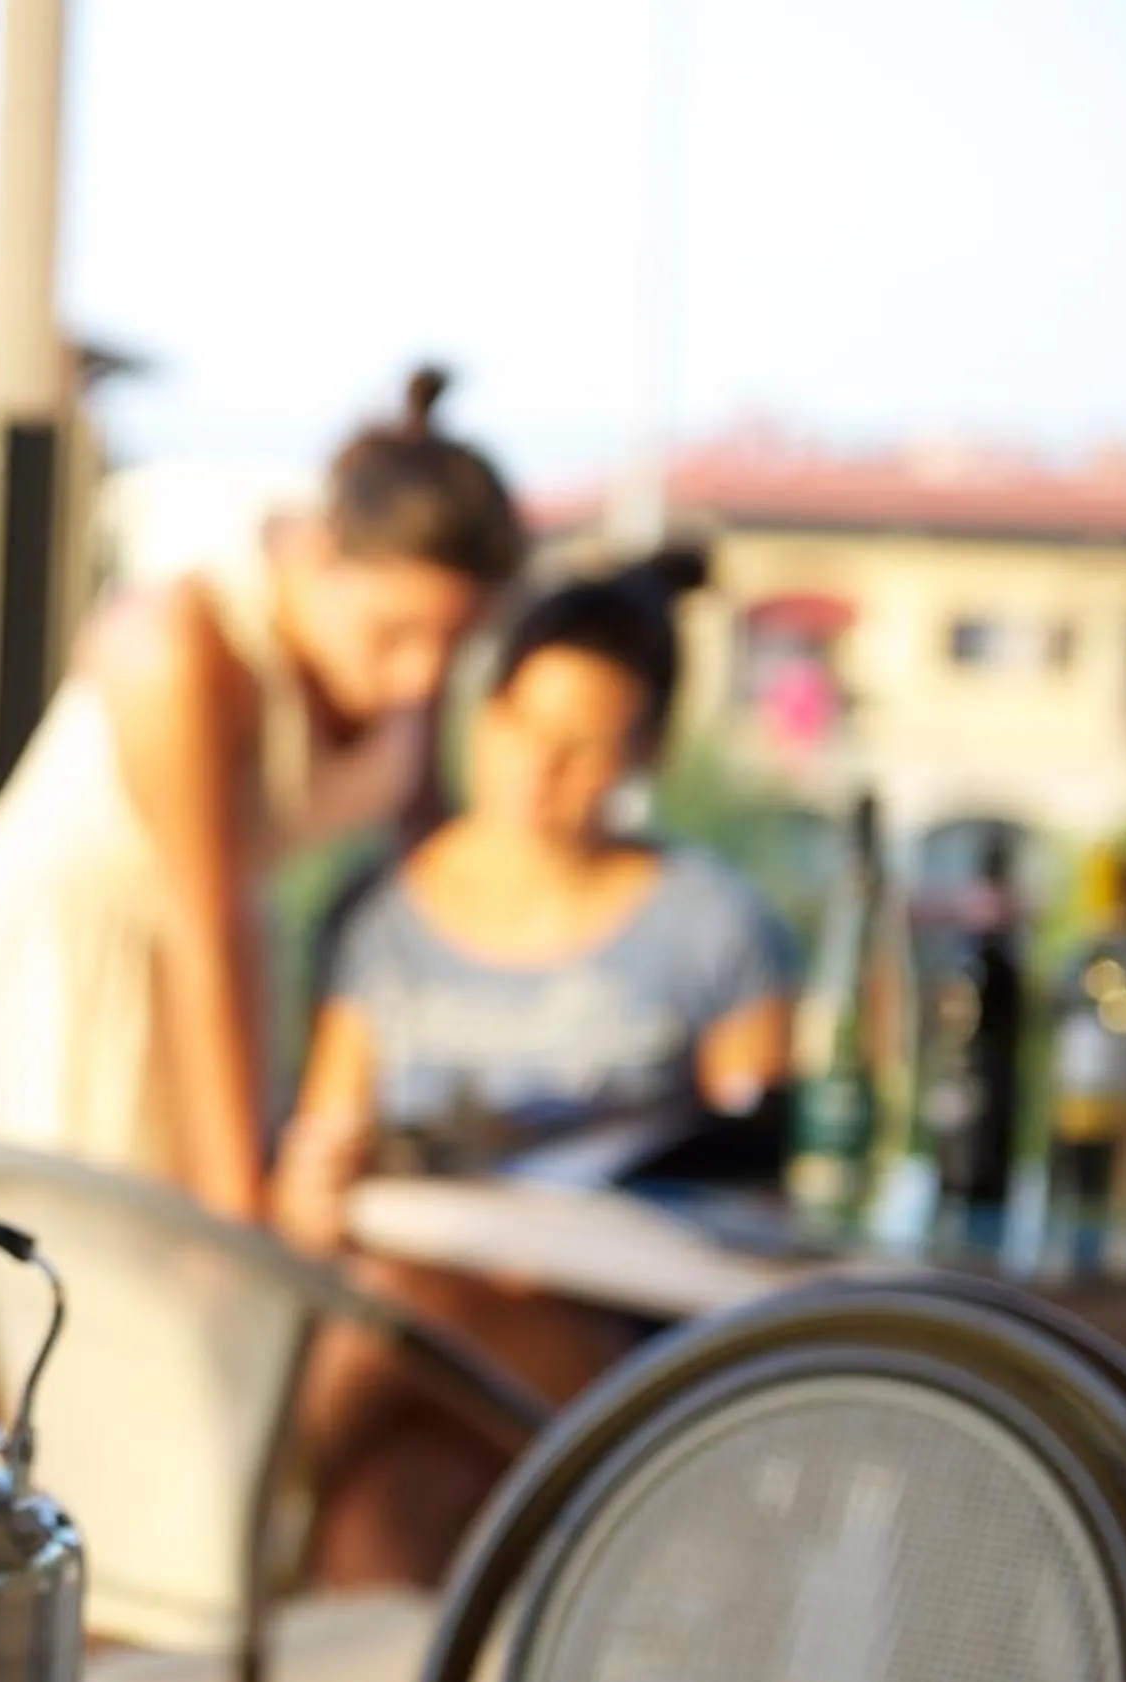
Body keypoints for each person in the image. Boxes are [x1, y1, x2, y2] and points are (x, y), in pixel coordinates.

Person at [0, 368, 526, 1396]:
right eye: (396, 634)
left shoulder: (409, 665)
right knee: (54, 1337)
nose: (424, 677)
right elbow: (203, 928)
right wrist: (236, 1221)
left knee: (155, 1378)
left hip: (208, 988)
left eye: (454, 644)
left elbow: (424, 878)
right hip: (76, 984)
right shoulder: (181, 642)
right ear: (320, 555)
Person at [272, 545, 797, 1588]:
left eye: (584, 745)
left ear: (642, 758)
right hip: (411, 1363)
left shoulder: (711, 926)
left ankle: (223, 1552)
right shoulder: (386, 918)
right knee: (389, 1488)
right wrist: (318, 1174)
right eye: (519, 722)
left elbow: (768, 1194)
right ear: (485, 708)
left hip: (606, 1357)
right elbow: (306, 1200)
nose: (538, 768)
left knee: (392, 1308)